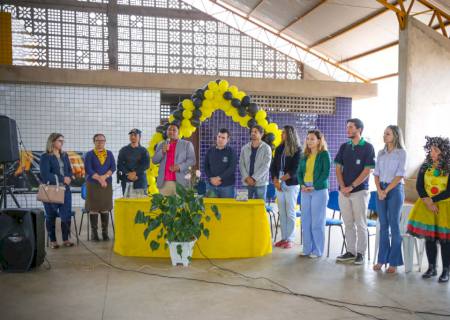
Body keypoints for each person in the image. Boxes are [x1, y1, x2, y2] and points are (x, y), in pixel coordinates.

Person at [407, 136, 450, 283]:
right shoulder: (426, 166)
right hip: (426, 206)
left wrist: (433, 200)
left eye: (436, 150)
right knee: (429, 238)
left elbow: (449, 190)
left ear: (443, 152)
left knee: (445, 241)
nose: (432, 153)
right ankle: (431, 268)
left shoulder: (449, 167)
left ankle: (446, 270)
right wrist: (427, 201)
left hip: (444, 208)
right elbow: (419, 186)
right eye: (431, 150)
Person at [334, 118, 375, 265]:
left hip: (359, 192)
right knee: (348, 223)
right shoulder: (344, 147)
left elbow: (367, 170)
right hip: (343, 192)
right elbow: (338, 168)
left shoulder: (368, 147)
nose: (348, 130)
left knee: (360, 223)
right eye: (347, 127)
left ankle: (361, 253)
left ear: (359, 129)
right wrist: (343, 186)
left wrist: (351, 187)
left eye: (351, 127)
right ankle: (350, 251)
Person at [373, 126, 407, 273]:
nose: (384, 135)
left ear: (395, 136)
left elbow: (400, 175)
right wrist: (380, 190)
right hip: (381, 189)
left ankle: (393, 262)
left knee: (394, 225)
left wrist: (386, 190)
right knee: (383, 225)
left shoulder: (402, 153)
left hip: (395, 189)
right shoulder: (381, 153)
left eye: (388, 133)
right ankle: (381, 260)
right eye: (384, 133)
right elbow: (376, 173)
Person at [297, 130, 330, 257]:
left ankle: (317, 250)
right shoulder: (304, 155)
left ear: (319, 140)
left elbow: (325, 173)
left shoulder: (324, 154)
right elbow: (299, 172)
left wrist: (314, 186)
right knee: (305, 220)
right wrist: (302, 184)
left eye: (312, 139)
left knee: (317, 222)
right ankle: (307, 249)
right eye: (308, 139)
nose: (309, 141)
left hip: (319, 190)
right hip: (305, 189)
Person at [40, 133, 74, 249]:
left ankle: (66, 239)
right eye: (60, 140)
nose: (62, 143)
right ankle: (53, 240)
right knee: (51, 216)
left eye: (63, 141)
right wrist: (62, 178)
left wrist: (69, 177)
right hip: (52, 190)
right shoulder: (45, 157)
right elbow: (45, 175)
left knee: (66, 216)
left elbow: (69, 170)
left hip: (65, 190)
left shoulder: (64, 155)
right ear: (52, 141)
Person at [270, 125, 301, 249]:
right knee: (282, 212)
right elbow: (273, 167)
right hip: (279, 184)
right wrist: (275, 180)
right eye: (282, 133)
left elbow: (296, 169)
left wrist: (282, 179)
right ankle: (283, 238)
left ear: (291, 134)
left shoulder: (297, 150)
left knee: (290, 212)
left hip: (291, 184)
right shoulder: (279, 148)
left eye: (284, 133)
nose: (282, 135)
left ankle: (291, 239)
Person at [83, 133, 116, 241]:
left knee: (105, 208)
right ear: (94, 141)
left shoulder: (110, 154)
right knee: (94, 208)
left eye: (102, 140)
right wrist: (100, 179)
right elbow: (88, 169)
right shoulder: (89, 154)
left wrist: (105, 177)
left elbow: (113, 167)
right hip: (93, 184)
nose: (100, 142)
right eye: (98, 140)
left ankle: (105, 233)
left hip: (106, 184)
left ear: (105, 142)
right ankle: (94, 234)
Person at [153, 123, 196, 196]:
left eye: (174, 130)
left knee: (181, 206)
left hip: (181, 182)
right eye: (169, 130)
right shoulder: (161, 144)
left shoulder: (187, 144)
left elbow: (192, 160)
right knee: (165, 206)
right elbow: (154, 161)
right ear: (166, 132)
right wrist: (162, 151)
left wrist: (180, 167)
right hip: (164, 183)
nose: (171, 132)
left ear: (178, 132)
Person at [239, 125, 272, 200]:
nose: (253, 133)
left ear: (261, 134)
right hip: (246, 182)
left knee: (259, 208)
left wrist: (254, 178)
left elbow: (266, 166)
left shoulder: (267, 148)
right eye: (252, 132)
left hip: (260, 183)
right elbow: (241, 164)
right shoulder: (244, 148)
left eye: (255, 132)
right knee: (244, 206)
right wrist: (247, 178)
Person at [204, 128, 237, 198]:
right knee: (210, 207)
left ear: (227, 139)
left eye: (223, 138)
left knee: (227, 208)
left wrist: (219, 178)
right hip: (211, 186)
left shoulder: (231, 152)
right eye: (219, 137)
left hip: (227, 187)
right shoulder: (210, 151)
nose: (220, 139)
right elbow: (206, 167)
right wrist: (211, 178)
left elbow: (232, 168)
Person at [117, 129, 150, 195]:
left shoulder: (143, 150)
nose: (133, 137)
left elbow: (146, 165)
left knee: (141, 201)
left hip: (140, 178)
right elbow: (119, 164)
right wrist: (128, 173)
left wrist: (135, 173)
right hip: (126, 178)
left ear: (139, 137)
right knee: (127, 200)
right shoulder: (123, 150)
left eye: (135, 135)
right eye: (131, 135)